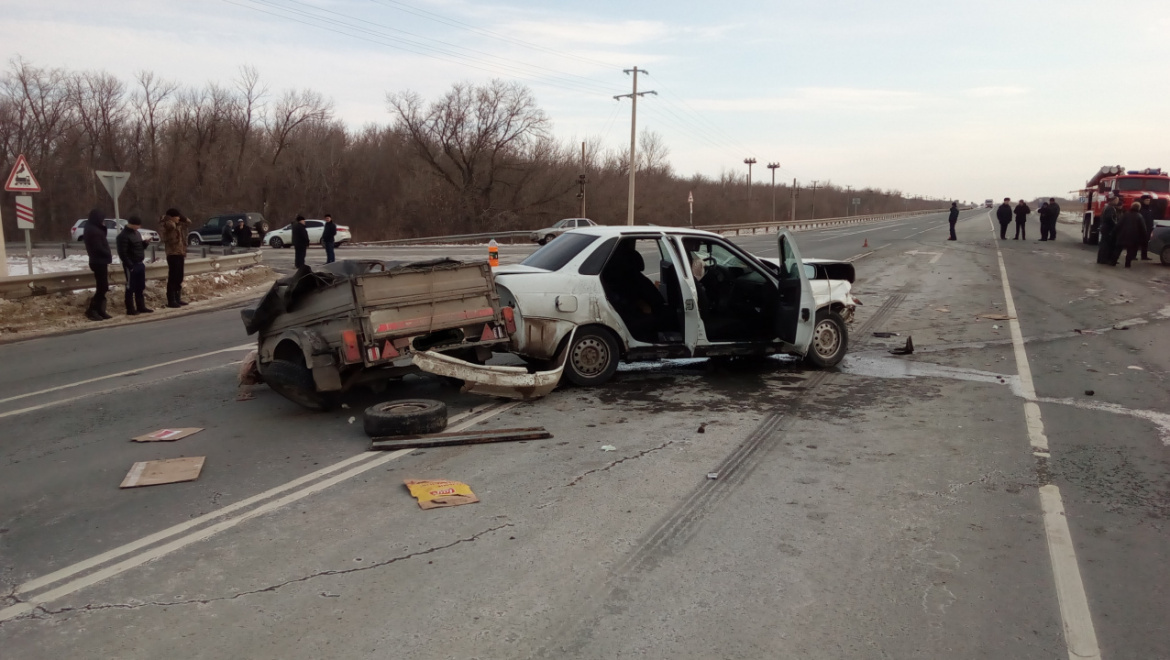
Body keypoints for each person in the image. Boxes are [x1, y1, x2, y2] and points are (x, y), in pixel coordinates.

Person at [116, 216, 153, 315]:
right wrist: (130, 265)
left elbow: (139, 247)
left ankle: (141, 306)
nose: (139, 227)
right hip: (131, 265)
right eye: (137, 225)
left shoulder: (137, 233)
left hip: (140, 263)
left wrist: (145, 243)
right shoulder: (123, 236)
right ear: (132, 224)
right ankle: (130, 308)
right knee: (130, 287)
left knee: (140, 286)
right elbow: (122, 253)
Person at [82, 209, 112, 321]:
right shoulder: (93, 230)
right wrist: (107, 253)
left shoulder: (94, 228)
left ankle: (100, 310)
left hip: (99, 261)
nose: (103, 221)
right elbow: (97, 247)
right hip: (98, 261)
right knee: (102, 287)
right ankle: (92, 310)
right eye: (102, 219)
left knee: (103, 287)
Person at [159, 208, 190, 307]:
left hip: (180, 252)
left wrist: (182, 217)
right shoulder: (167, 224)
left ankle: (177, 298)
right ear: (171, 217)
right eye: (177, 216)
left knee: (179, 277)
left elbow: (188, 222)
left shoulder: (178, 225)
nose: (179, 218)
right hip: (172, 253)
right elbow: (170, 227)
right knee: (173, 277)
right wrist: (168, 219)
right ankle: (171, 300)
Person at [1115, 202, 1147, 268]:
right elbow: (1143, 228)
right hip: (1133, 237)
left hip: (1123, 235)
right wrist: (1144, 237)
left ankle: (1113, 261)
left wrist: (1115, 232)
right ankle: (1127, 264)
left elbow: (1119, 224)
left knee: (1118, 249)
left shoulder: (1126, 214)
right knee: (1130, 251)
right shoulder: (1139, 216)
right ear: (1139, 208)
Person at [1096, 194, 1121, 266]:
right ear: (1113, 200)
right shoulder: (1111, 208)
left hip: (1104, 227)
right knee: (1106, 245)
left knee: (1103, 244)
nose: (1117, 202)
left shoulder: (1106, 207)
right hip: (1108, 229)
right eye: (1117, 200)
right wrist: (1115, 224)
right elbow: (1109, 218)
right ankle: (1104, 259)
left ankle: (1101, 259)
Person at [1139, 194, 1154, 260]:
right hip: (1140, 228)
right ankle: (1132, 255)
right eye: (1147, 200)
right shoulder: (1140, 209)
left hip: (1148, 228)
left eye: (1149, 200)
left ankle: (1144, 256)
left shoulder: (1150, 209)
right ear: (1143, 201)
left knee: (1145, 243)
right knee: (1136, 242)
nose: (1148, 201)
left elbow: (1151, 218)